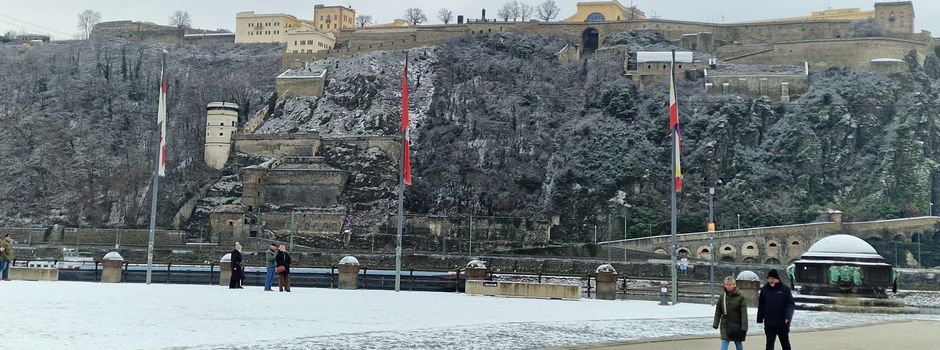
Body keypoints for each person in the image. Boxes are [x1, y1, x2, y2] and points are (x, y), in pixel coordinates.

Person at [757, 269, 795, 350]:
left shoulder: (785, 289)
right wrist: (760, 318)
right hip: (769, 322)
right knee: (769, 344)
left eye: (772, 278)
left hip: (782, 322)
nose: (771, 280)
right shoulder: (764, 289)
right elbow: (761, 305)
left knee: (785, 343)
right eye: (769, 278)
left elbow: (790, 304)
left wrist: (788, 317)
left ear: (777, 278)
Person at [713, 276, 747, 350]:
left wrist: (744, 327)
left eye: (730, 284)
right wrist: (715, 323)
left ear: (734, 285)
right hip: (725, 324)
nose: (728, 286)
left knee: (738, 342)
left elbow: (744, 313)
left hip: (737, 325)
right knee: (725, 341)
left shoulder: (740, 297)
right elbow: (718, 311)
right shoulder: (722, 297)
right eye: (726, 284)